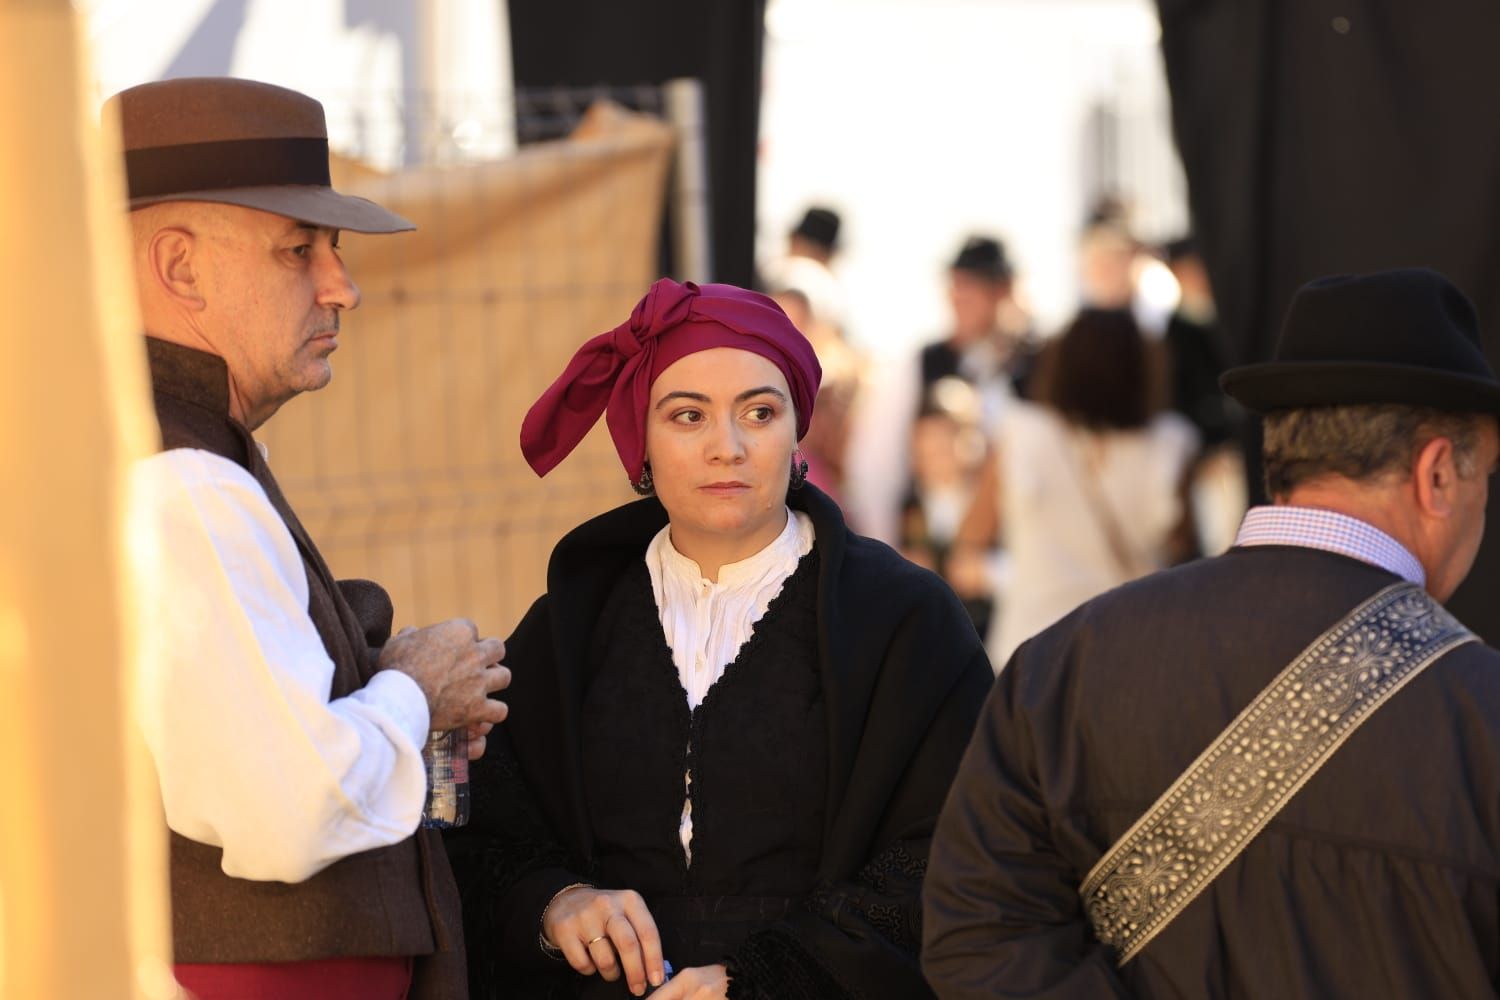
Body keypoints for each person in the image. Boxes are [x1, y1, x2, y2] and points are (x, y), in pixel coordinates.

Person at [922, 268, 1500, 999]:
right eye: (1489, 476)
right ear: (1440, 475)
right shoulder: (1482, 717)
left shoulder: (1058, 669)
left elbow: (978, 941)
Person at [445, 278, 993, 1000]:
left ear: (798, 428)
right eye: (687, 416)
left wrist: (764, 981)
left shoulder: (904, 623)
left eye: (758, 413)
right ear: (640, 436)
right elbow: (483, 838)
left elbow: (956, 852)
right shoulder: (570, 627)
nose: (726, 448)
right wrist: (555, 904)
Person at [116, 77, 510, 999]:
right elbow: (288, 808)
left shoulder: (172, 449)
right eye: (300, 250)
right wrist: (412, 694)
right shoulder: (183, 482)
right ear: (180, 267)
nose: (345, 288)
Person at [952, 309, 1199, 665]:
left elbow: (970, 540)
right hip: (1132, 654)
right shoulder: (1171, 445)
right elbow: (1183, 560)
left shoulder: (1021, 433)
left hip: (1029, 656)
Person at [842, 234, 1036, 547]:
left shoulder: (1032, 367)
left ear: (1003, 293)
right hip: (930, 542)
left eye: (973, 287)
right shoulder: (920, 364)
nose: (959, 298)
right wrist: (887, 554)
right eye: (956, 286)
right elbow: (876, 466)